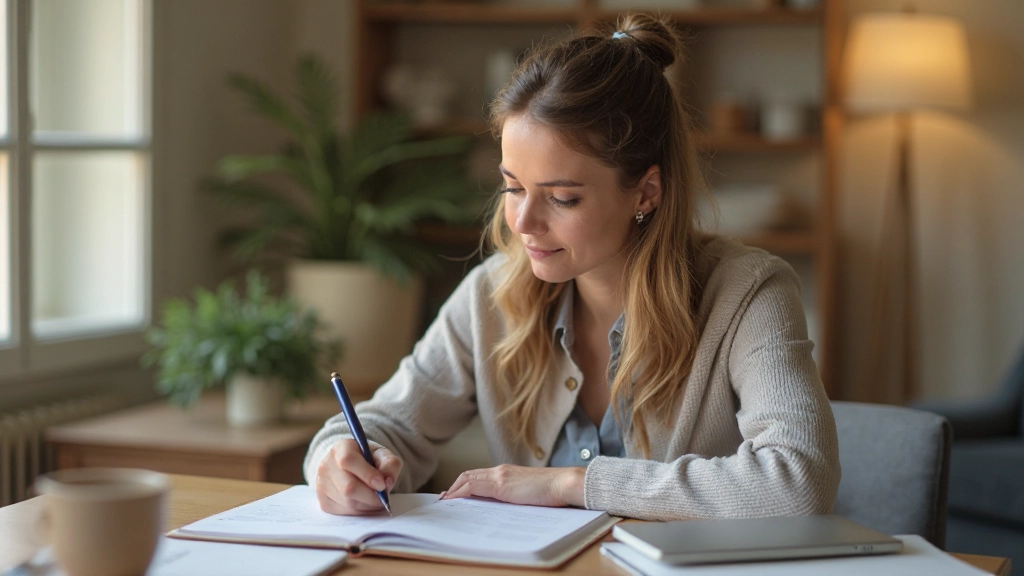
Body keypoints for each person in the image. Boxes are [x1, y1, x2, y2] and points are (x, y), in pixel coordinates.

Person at [304, 12, 840, 521]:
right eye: (513, 187)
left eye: (562, 198)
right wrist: (340, 459)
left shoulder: (749, 294)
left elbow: (799, 479)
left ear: (646, 192)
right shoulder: (489, 296)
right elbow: (384, 424)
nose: (523, 222)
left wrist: (569, 485)